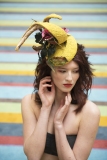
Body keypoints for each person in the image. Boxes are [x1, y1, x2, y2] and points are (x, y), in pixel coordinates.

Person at [15, 14, 100, 160]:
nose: (69, 78)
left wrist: (58, 125)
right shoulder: (29, 102)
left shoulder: (89, 112)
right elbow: (32, 156)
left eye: (75, 71)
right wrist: (46, 109)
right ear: (49, 71)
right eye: (62, 71)